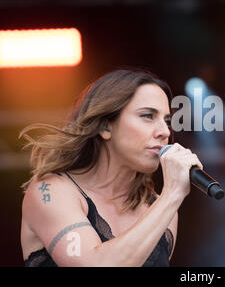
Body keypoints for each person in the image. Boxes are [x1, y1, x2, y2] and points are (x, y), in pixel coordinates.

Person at [19, 68, 202, 266]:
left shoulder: (159, 206)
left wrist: (169, 199)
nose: (164, 131)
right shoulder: (50, 191)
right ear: (105, 126)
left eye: (167, 121)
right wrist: (172, 195)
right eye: (148, 116)